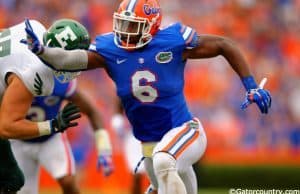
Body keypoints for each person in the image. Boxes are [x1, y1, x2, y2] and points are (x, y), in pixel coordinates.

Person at [24, 0, 272, 193]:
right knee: (164, 174)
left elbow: (223, 44)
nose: (125, 31)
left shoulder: (172, 40)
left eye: (132, 25)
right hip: (149, 143)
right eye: (122, 23)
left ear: (152, 25)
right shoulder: (110, 48)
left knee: (166, 160)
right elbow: (69, 59)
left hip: (186, 130)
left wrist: (250, 85)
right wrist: (42, 51)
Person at [0, 19, 83, 193]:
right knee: (12, 180)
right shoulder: (37, 72)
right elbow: (6, 127)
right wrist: (52, 126)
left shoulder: (36, 28)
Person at [11, 79, 113, 194]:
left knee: (68, 181)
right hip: (19, 140)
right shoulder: (14, 82)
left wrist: (104, 147)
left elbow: (92, 111)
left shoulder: (59, 83)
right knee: (23, 191)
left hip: (50, 139)